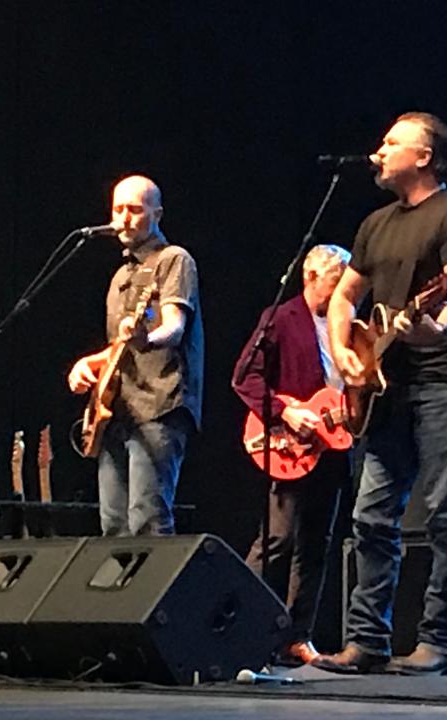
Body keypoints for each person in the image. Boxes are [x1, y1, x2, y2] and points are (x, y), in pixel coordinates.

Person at [315, 112, 447, 675]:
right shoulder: (374, 224)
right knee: (371, 515)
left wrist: (436, 328)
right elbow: (344, 298)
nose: (379, 150)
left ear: (423, 156)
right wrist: (343, 352)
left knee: (444, 511)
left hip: (446, 380)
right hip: (387, 387)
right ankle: (366, 640)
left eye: (391, 142)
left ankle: (440, 641)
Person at [232, 244, 352, 666]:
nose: (341, 296)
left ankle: (295, 636)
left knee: (315, 546)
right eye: (335, 286)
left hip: (333, 448)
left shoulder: (349, 323)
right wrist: (286, 413)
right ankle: (236, 624)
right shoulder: (281, 319)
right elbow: (244, 378)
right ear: (310, 277)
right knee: (276, 540)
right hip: (290, 444)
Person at [68, 174, 204, 536]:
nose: (123, 218)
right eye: (117, 209)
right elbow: (119, 349)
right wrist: (88, 364)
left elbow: (174, 327)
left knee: (148, 518)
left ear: (156, 214)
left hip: (160, 404)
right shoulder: (119, 277)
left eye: (134, 209)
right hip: (116, 409)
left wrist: (148, 338)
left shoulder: (174, 260)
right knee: (112, 524)